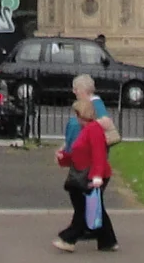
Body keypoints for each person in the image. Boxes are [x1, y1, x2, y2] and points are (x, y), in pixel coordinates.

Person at [53, 98, 116, 253]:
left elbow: (99, 154)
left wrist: (97, 177)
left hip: (91, 175)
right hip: (86, 173)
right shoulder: (87, 129)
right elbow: (79, 153)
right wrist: (64, 158)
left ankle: (69, 238)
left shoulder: (93, 130)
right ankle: (107, 240)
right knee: (94, 207)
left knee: (85, 208)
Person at [61, 75, 116, 151]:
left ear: (83, 89)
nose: (73, 91)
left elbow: (105, 121)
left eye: (76, 89)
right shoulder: (89, 103)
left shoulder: (95, 103)